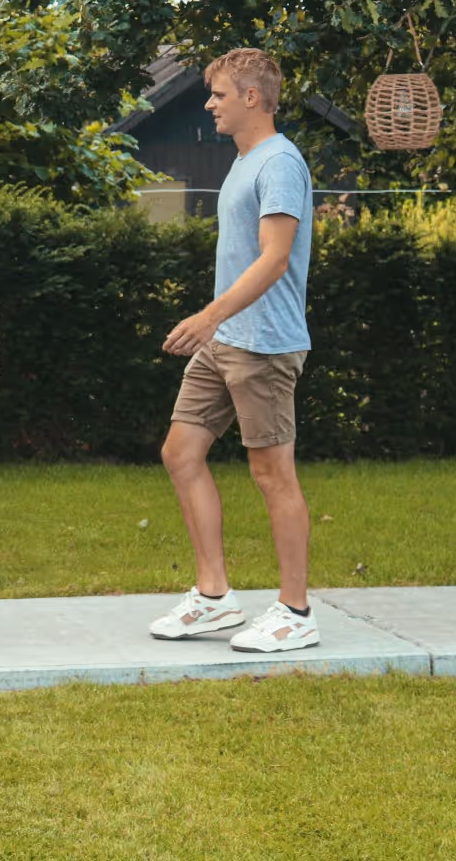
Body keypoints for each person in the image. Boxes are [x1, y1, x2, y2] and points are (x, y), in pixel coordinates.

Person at [150, 48, 319, 652]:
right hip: (226, 341)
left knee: (272, 474)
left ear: (252, 97)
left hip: (264, 345)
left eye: (219, 94)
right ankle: (215, 596)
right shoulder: (245, 161)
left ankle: (296, 612)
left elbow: (276, 258)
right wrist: (217, 325)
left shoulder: (280, 163)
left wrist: (208, 315)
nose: (209, 104)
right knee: (181, 452)